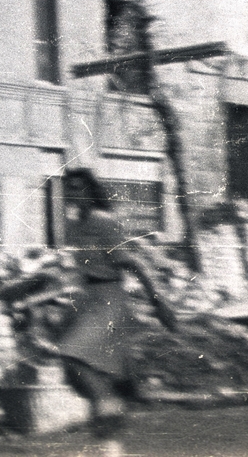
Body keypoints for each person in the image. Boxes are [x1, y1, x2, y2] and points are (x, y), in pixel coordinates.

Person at [55, 168, 178, 456]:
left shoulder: (104, 222)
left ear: (91, 191)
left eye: (79, 188)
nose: (74, 194)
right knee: (81, 373)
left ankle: (110, 417)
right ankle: (111, 441)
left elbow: (133, 264)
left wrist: (159, 301)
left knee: (74, 357)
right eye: (69, 188)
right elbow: (81, 268)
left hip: (109, 299)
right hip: (87, 298)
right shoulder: (74, 225)